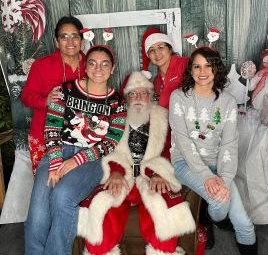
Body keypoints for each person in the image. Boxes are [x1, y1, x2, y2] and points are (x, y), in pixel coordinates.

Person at [77, 71, 195, 255]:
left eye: (143, 93)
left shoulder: (164, 118)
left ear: (150, 95)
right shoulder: (114, 116)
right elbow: (106, 148)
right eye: (133, 93)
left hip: (150, 176)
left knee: (163, 213)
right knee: (101, 211)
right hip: (121, 176)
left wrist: (158, 173)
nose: (138, 98)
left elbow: (171, 150)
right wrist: (115, 171)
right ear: (126, 97)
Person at [25, 45, 127, 255]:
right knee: (37, 213)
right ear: (85, 67)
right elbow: (52, 127)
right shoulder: (65, 90)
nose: (98, 68)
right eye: (92, 63)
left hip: (92, 160)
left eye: (104, 63)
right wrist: (54, 164)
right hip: (57, 152)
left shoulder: (118, 103)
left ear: (113, 68)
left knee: (62, 197)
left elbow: (110, 142)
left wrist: (76, 160)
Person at [169, 47, 257, 255]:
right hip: (185, 162)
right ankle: (215, 216)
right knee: (219, 200)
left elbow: (229, 144)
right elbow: (183, 142)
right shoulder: (179, 97)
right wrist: (208, 177)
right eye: (197, 66)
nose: (202, 71)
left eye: (208, 66)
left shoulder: (227, 102)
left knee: (244, 223)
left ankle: (213, 218)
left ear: (216, 69)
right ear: (190, 70)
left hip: (219, 162)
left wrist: (224, 179)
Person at [21, 16, 87, 174]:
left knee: (74, 190)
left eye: (75, 36)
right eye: (64, 37)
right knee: (46, 185)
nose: (70, 42)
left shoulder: (91, 64)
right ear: (56, 41)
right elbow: (26, 96)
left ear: (82, 40)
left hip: (81, 138)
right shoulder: (41, 65)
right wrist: (46, 100)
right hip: (44, 135)